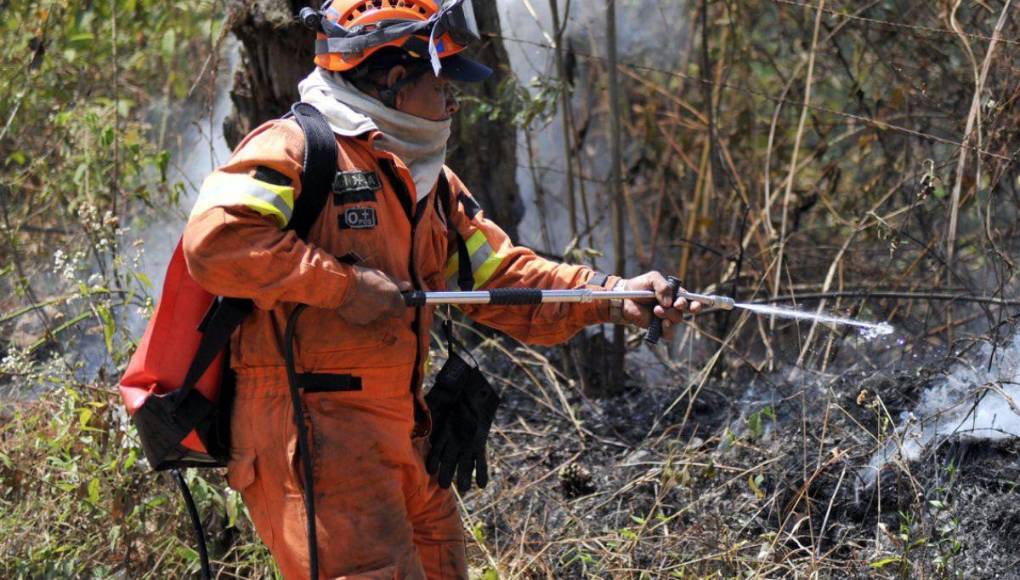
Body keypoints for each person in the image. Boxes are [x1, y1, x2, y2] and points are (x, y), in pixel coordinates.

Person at [182, 0, 699, 577]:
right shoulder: (299, 150)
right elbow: (215, 243)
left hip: (404, 433)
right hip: (312, 429)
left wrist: (610, 294)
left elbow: (503, 277)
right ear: (395, 80)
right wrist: (346, 288)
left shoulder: (430, 183)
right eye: (441, 82)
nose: (454, 99)